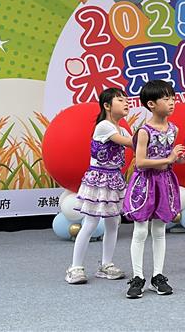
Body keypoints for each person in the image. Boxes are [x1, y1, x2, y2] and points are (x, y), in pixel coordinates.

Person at [122, 80, 185, 299]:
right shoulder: (144, 131)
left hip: (164, 182)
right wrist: (170, 157)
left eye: (173, 98)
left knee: (160, 230)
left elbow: (170, 161)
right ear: (151, 104)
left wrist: (180, 160)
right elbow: (140, 162)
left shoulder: (174, 129)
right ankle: (137, 277)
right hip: (145, 183)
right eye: (166, 98)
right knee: (141, 230)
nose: (171, 103)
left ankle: (158, 277)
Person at [65, 88, 132, 285]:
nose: (126, 103)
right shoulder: (104, 126)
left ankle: (106, 265)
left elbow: (133, 142)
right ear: (107, 105)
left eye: (126, 100)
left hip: (114, 179)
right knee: (91, 224)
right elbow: (130, 143)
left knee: (113, 224)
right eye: (120, 100)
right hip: (98, 179)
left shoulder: (123, 128)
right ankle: (75, 267)